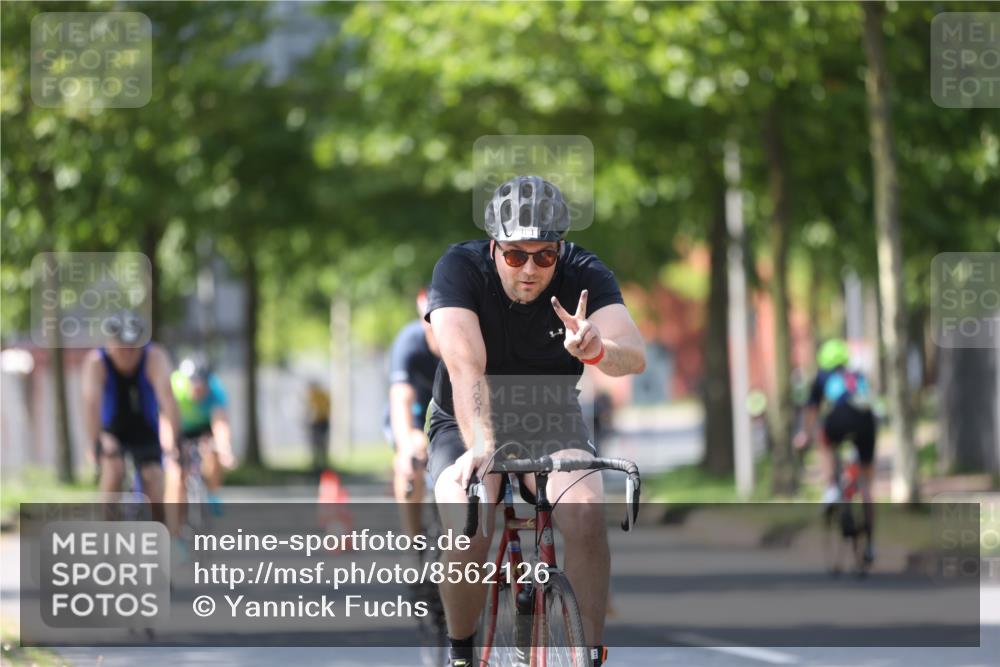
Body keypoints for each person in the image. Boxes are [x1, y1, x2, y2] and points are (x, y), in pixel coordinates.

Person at [426, 175, 646, 667]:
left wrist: (598, 349)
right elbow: (466, 367)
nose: (529, 269)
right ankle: (460, 651)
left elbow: (633, 355)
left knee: (585, 511)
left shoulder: (584, 272)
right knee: (470, 519)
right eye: (514, 256)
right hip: (466, 419)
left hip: (549, 415)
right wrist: (481, 444)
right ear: (493, 246)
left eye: (544, 256)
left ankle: (588, 656)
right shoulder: (458, 269)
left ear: (559, 249)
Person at [81, 310, 181, 526]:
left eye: (133, 347)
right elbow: (91, 405)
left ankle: (160, 530)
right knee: (113, 471)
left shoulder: (154, 357)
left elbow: (168, 400)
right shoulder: (96, 362)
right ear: (111, 342)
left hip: (146, 429)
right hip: (112, 430)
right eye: (122, 346)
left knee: (154, 481)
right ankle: (107, 532)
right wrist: (95, 443)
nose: (127, 353)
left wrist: (174, 442)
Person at [794, 337, 877, 563]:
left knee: (824, 440)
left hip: (840, 417)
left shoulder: (823, 376)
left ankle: (831, 486)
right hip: (867, 421)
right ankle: (871, 544)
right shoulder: (857, 375)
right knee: (867, 483)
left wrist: (805, 435)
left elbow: (812, 410)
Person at [386, 288, 441, 533]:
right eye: (428, 324)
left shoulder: (462, 336)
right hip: (415, 413)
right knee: (411, 458)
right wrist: (405, 447)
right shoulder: (409, 342)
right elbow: (401, 399)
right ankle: (412, 539)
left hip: (447, 412)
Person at [170, 356, 236, 510]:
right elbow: (166, 421)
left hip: (204, 427)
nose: (197, 390)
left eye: (201, 386)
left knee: (214, 453)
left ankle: (213, 492)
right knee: (177, 473)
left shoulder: (215, 391)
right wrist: (170, 448)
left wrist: (225, 451)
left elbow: (220, 424)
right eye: (194, 385)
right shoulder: (174, 388)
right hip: (179, 427)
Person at [306, 380, 331, 473]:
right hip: (323, 421)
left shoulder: (314, 395)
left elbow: (311, 410)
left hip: (318, 422)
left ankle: (318, 464)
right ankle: (321, 464)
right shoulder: (324, 394)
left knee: (317, 443)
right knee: (321, 444)